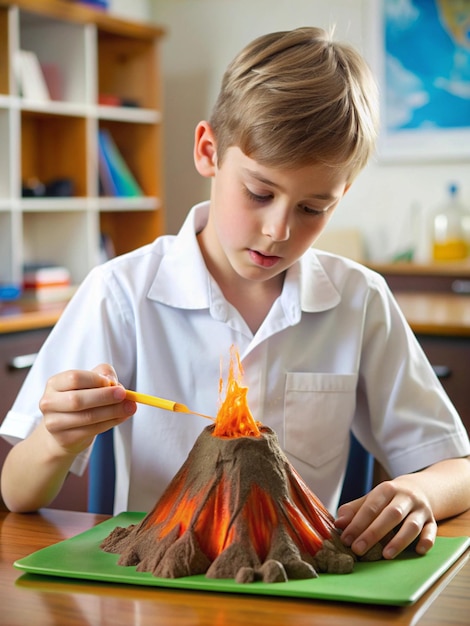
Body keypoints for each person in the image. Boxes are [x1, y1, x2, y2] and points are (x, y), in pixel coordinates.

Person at [1, 27, 469, 563]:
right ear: (208, 151)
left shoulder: (360, 300)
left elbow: (457, 469)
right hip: (162, 594)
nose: (278, 229)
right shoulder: (120, 292)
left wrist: (421, 492)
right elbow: (17, 491)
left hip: (299, 591)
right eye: (259, 193)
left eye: (313, 208)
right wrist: (57, 440)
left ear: (341, 196)